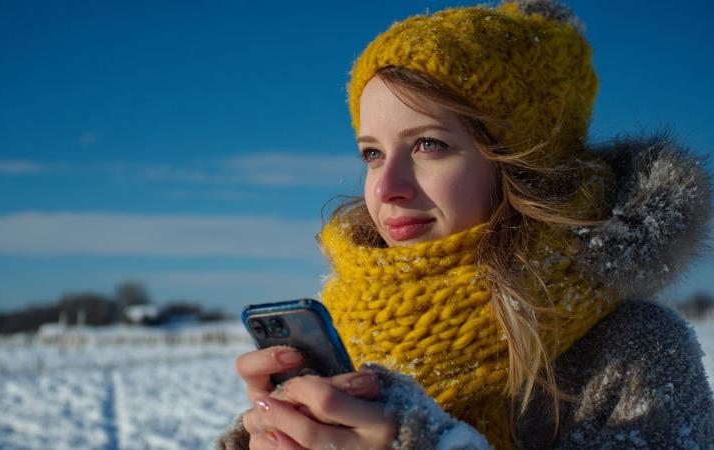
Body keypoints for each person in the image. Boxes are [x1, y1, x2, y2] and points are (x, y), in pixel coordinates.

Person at [216, 0, 714, 448]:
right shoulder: (348, 332)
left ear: (520, 168)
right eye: (371, 153)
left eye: (428, 144)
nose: (386, 186)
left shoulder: (634, 350)